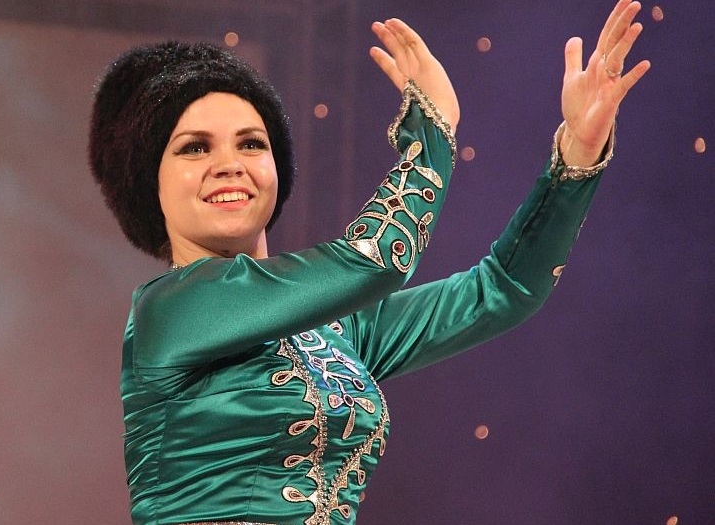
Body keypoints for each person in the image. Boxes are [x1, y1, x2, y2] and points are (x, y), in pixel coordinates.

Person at [88, 1, 650, 523]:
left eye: (252, 143)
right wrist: (431, 134)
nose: (230, 164)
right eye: (194, 147)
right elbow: (377, 259)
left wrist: (577, 156)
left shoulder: (337, 334)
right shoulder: (170, 311)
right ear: (148, 184)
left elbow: (502, 290)